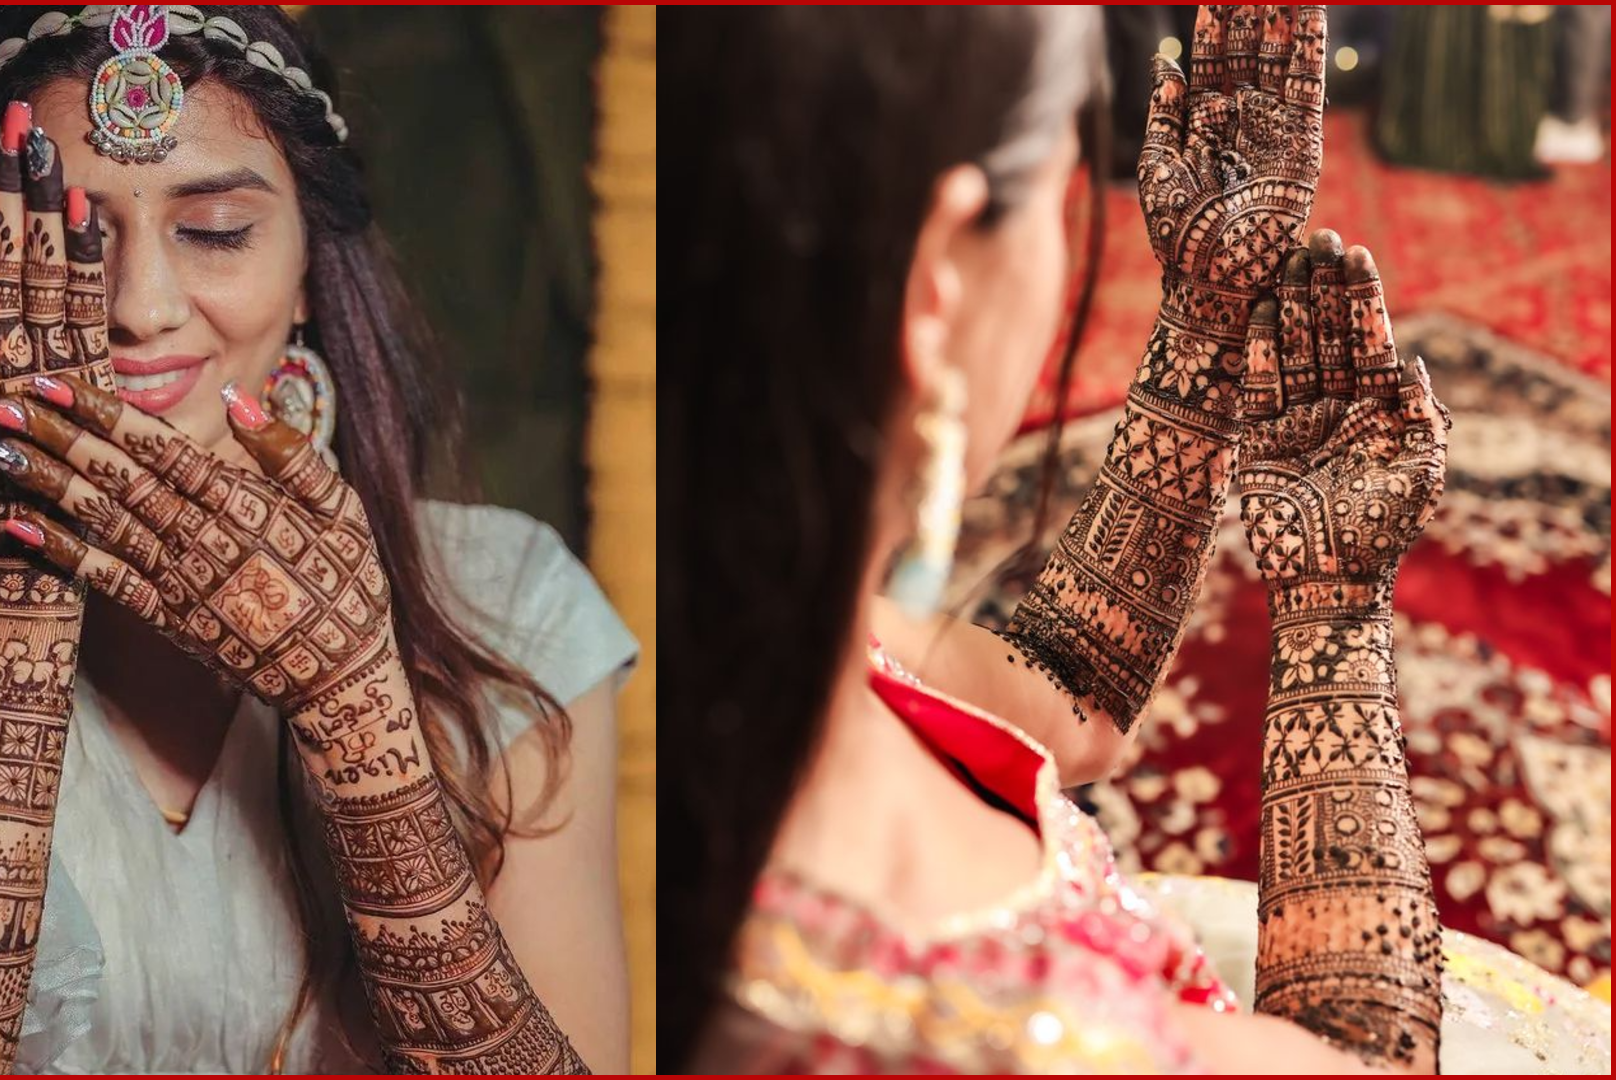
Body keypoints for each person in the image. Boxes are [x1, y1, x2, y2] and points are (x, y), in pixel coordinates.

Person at [662, 5, 1606, 1074]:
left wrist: (1210, 316)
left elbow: (1065, 700)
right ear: (938, 285)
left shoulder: (730, 626)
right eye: (1065, 175)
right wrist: (1333, 611)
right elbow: (1368, 1063)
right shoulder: (1032, 1040)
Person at [0, 6, 634, 1073]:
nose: (141, 309)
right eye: (75, 240)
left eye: (217, 232)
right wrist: (27, 564)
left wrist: (358, 708)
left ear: (309, 273)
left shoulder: (507, 605)